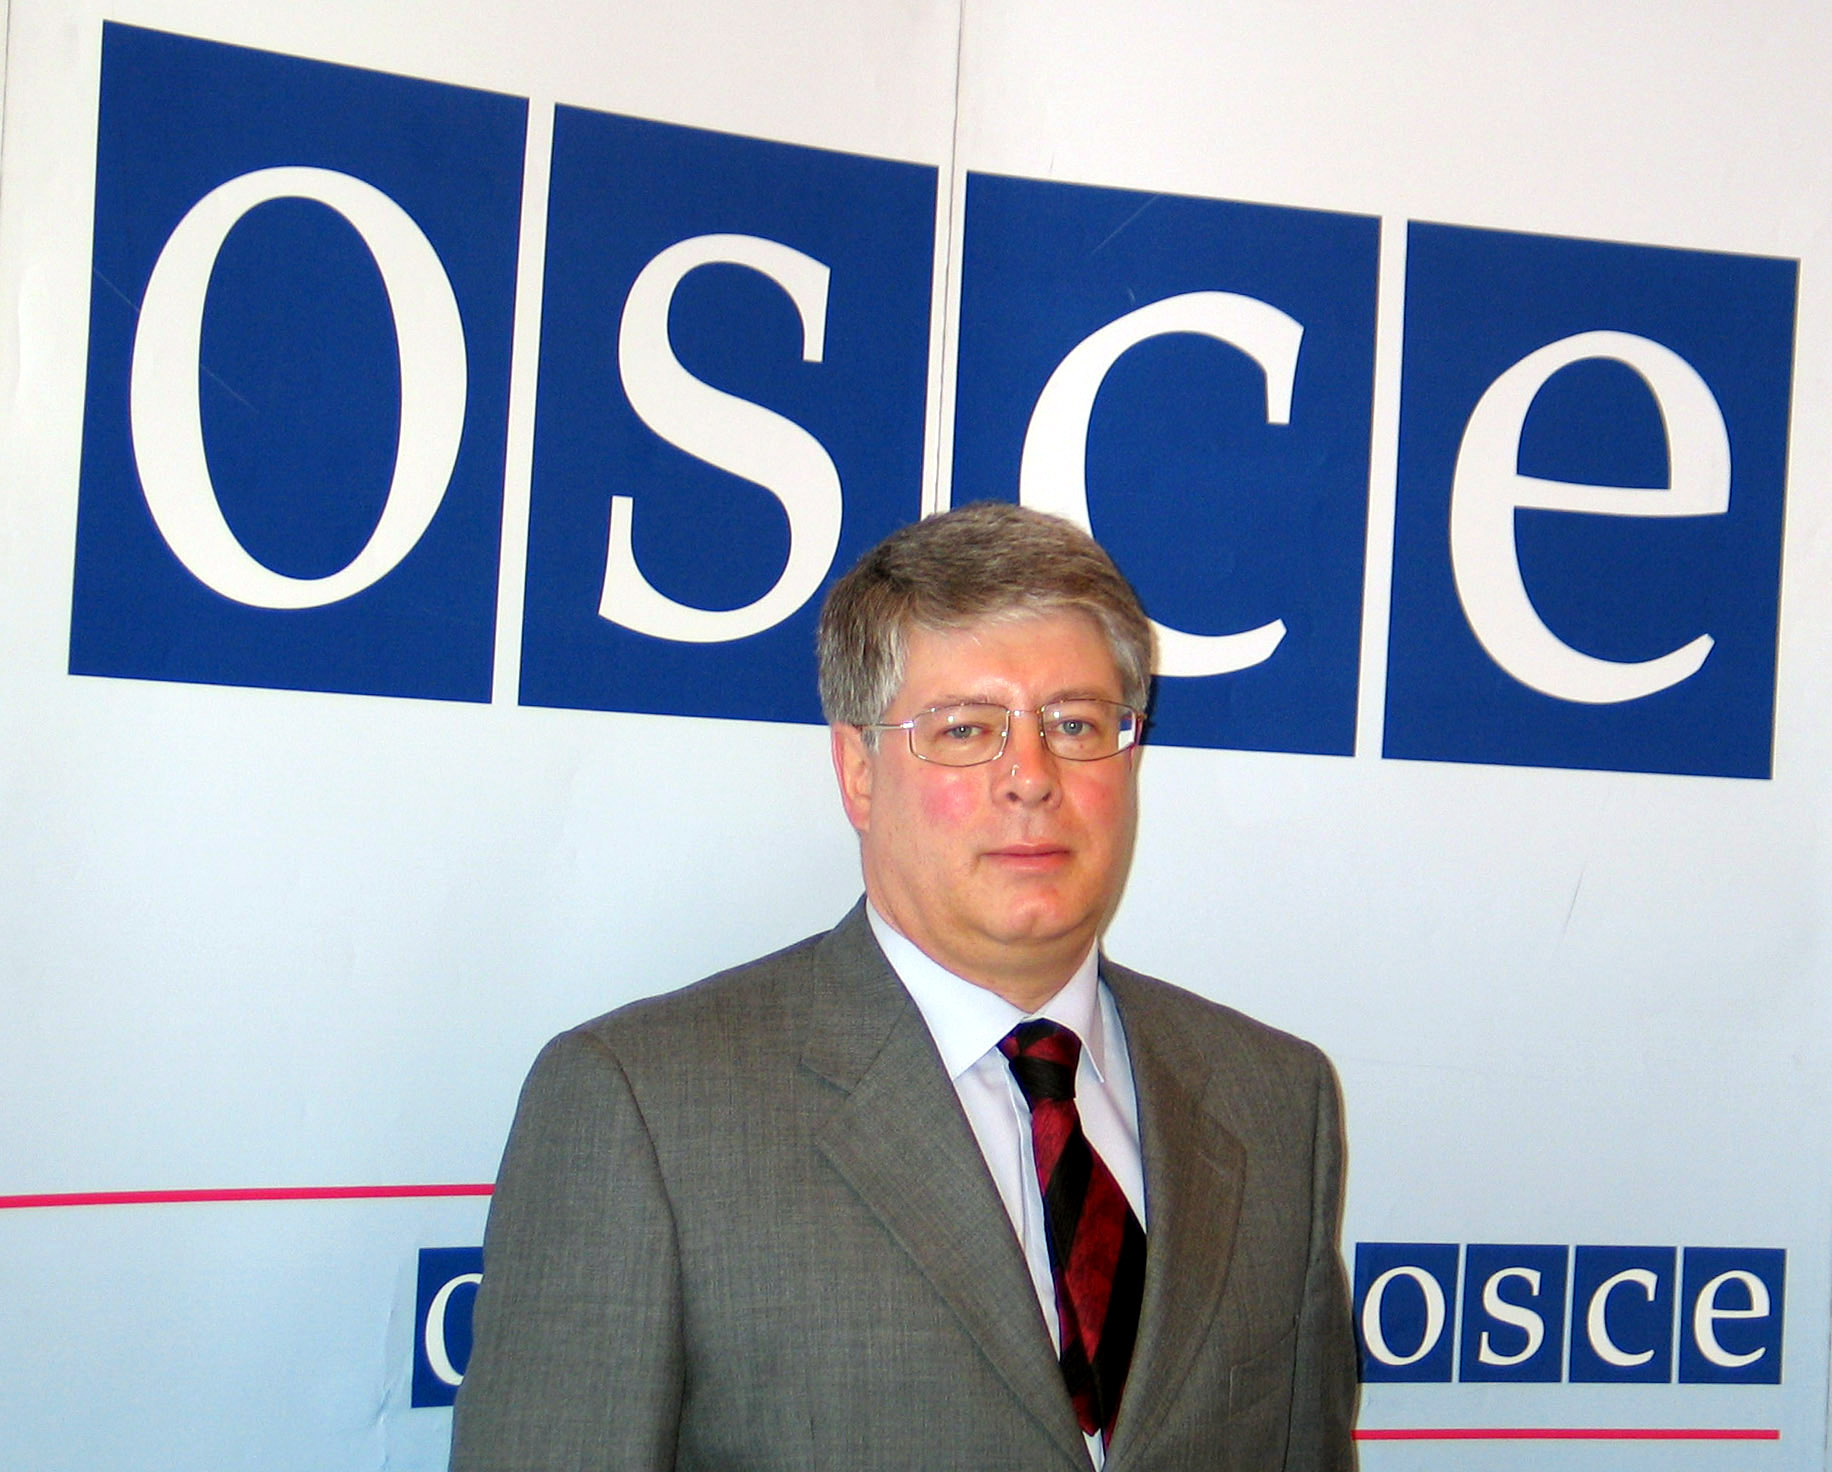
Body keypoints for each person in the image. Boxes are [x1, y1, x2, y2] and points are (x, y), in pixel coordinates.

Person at [450, 502, 1358, 1471]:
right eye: (966, 730)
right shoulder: (644, 1110)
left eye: (1075, 723)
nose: (1031, 777)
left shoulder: (1275, 1101)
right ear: (858, 771)